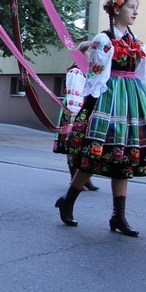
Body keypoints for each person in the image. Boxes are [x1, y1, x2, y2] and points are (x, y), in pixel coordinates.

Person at [54, 0, 146, 237]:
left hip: (131, 99)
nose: (135, 12)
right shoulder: (103, 39)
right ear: (116, 10)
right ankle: (69, 200)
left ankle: (118, 215)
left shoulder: (137, 41)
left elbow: (141, 73)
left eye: (137, 8)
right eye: (131, 7)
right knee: (95, 155)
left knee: (123, 158)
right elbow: (96, 74)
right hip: (109, 97)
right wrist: (92, 106)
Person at [53, 40, 98, 192]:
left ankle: (85, 178)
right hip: (75, 111)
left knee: (84, 146)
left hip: (86, 111)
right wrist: (75, 117)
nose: (92, 54)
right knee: (73, 146)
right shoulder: (76, 71)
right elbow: (74, 95)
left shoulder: (90, 71)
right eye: (89, 51)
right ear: (81, 53)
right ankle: (75, 178)